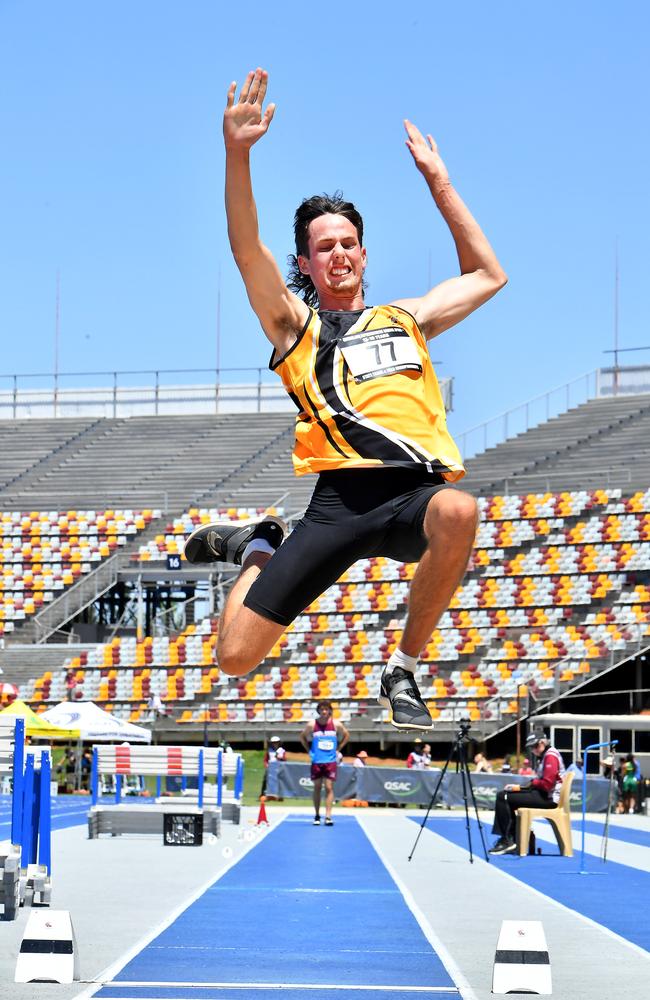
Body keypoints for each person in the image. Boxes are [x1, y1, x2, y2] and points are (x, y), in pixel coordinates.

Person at [183, 67, 507, 732]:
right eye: (324, 247)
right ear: (305, 263)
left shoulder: (407, 318)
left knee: (460, 509)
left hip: (413, 493)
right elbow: (247, 252)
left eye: (349, 243)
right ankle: (259, 548)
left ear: (363, 252)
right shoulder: (295, 327)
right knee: (235, 657)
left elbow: (487, 273)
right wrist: (237, 154)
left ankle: (403, 669)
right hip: (338, 506)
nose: (339, 254)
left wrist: (438, 182)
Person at [489, 732, 566, 855]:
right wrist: (521, 788)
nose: (533, 750)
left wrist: (532, 783)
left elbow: (547, 785)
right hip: (544, 795)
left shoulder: (550, 756)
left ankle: (507, 839)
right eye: (531, 747)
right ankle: (512, 838)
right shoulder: (546, 755)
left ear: (542, 743)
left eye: (534, 746)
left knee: (503, 796)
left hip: (548, 798)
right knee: (506, 794)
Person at [300, 701, 349, 825]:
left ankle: (328, 816)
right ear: (319, 711)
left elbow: (346, 735)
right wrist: (309, 751)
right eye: (322, 709)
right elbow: (302, 737)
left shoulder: (336, 724)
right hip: (317, 761)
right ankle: (317, 815)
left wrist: (338, 749)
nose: (324, 712)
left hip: (330, 761)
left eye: (326, 709)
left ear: (330, 711)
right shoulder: (312, 725)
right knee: (317, 787)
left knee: (328, 787)